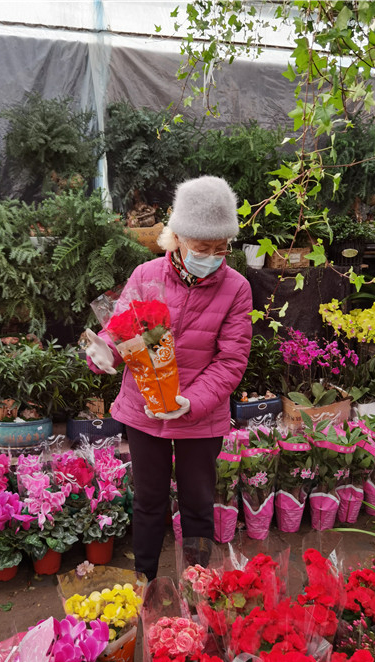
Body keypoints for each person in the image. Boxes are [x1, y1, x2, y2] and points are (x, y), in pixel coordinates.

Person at [83, 176, 253, 581]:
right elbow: (122, 331)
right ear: (176, 238)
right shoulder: (146, 275)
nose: (212, 257)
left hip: (201, 415)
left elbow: (231, 360)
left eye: (220, 248)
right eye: (202, 248)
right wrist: (104, 351)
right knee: (148, 502)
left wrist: (192, 402)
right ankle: (145, 583)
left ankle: (198, 587)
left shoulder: (237, 288)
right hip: (143, 409)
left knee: (198, 504)